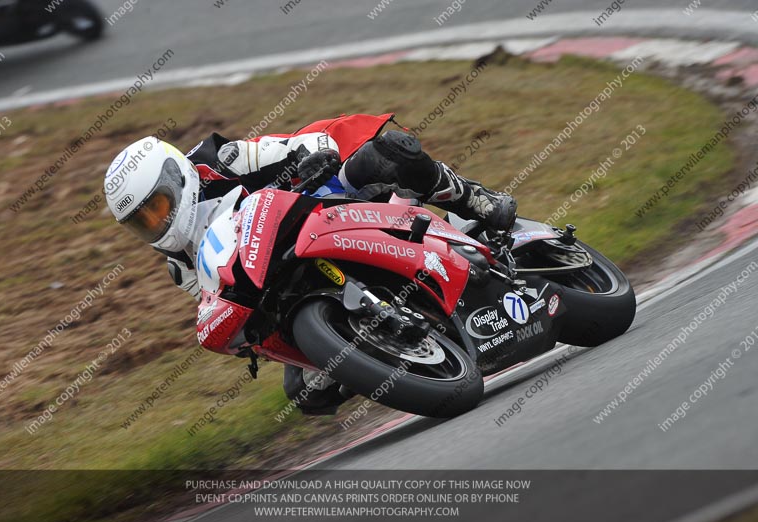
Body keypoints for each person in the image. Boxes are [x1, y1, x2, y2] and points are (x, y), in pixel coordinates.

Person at [103, 113, 516, 415]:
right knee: (306, 392)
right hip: (284, 279)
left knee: (384, 154)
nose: (156, 223)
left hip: (327, 204)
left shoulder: (221, 159)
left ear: (177, 177)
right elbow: (222, 296)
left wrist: (312, 159)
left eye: (158, 207)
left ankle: (473, 198)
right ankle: (383, 353)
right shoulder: (178, 264)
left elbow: (299, 146)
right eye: (142, 222)